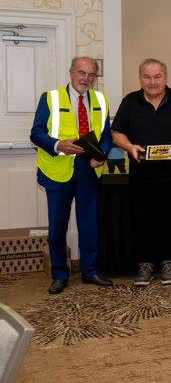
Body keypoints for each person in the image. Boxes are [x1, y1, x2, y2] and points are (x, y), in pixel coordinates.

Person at [112, 58, 171, 286]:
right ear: (140, 78)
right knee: (143, 221)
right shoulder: (130, 101)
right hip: (142, 176)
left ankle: (169, 263)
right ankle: (145, 265)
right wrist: (129, 147)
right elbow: (116, 133)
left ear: (165, 77)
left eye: (157, 76)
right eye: (147, 77)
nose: (152, 82)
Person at [30, 56, 113, 294]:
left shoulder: (101, 99)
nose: (86, 79)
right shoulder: (50, 98)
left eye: (91, 75)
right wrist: (58, 145)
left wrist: (102, 155)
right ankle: (59, 274)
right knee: (58, 226)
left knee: (89, 224)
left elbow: (106, 135)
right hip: (58, 170)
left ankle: (90, 271)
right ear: (71, 72)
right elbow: (36, 133)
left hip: (89, 170)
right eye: (81, 72)